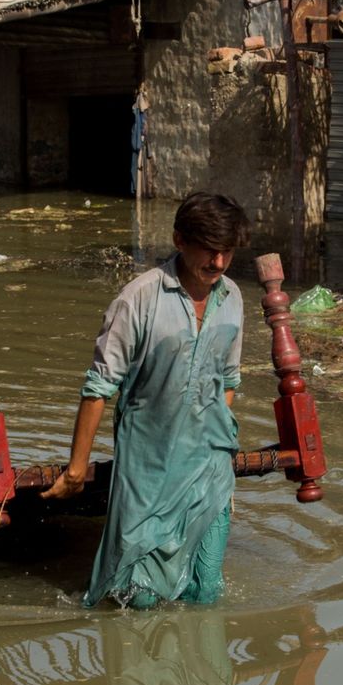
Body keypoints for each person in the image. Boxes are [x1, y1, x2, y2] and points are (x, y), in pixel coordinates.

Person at [44, 192, 250, 608]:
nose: (219, 263)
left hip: (210, 468)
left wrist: (211, 434)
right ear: (179, 240)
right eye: (209, 251)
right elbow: (99, 388)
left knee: (205, 588)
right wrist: (76, 469)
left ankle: (202, 673)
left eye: (226, 252)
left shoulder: (232, 298)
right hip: (148, 467)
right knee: (135, 598)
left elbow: (229, 378)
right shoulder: (138, 299)